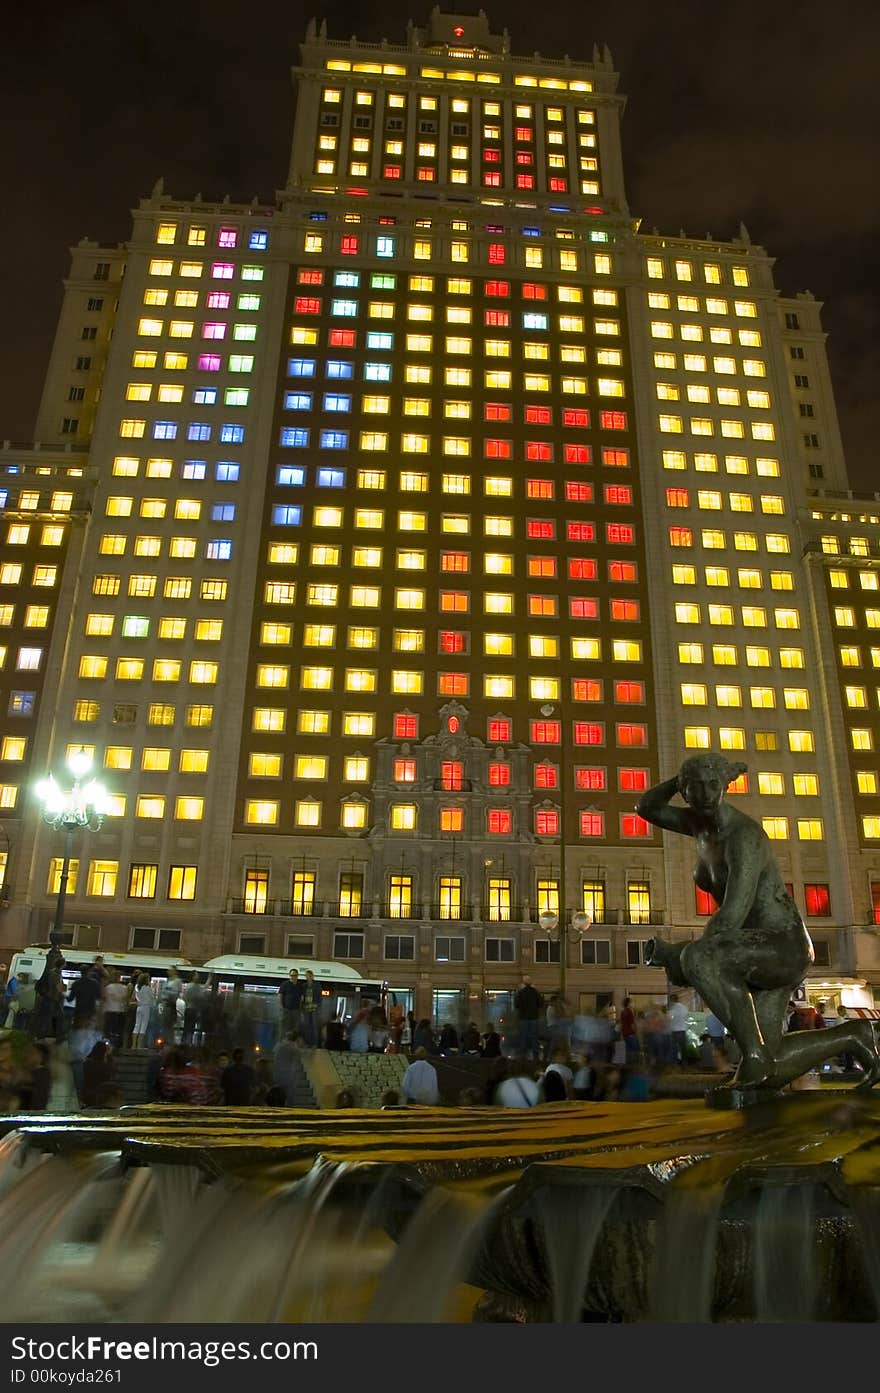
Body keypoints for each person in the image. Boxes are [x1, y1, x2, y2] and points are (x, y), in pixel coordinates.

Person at [638, 753, 880, 1089]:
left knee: (699, 959)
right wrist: (678, 780)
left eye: (713, 785)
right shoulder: (698, 825)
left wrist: (685, 955)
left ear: (724, 786)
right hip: (754, 946)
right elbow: (646, 807)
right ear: (686, 791)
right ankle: (854, 1034)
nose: (707, 795)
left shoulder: (743, 837)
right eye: (697, 788)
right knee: (773, 1061)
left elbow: (733, 913)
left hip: (783, 944)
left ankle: (754, 1058)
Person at [80, 1041, 119, 1108]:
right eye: (107, 1048)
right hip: (94, 1090)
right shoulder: (91, 1063)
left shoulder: (109, 1060)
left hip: (104, 1089)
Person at [514, 976, 543, 1060]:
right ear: (531, 983)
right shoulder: (535, 992)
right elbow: (540, 1003)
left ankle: (523, 1056)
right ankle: (535, 1057)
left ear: (523, 983)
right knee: (534, 1037)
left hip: (523, 1018)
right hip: (534, 1017)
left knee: (523, 1037)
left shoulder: (520, 992)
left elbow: (516, 1005)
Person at [102, 971, 130, 1049]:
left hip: (109, 1011)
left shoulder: (108, 987)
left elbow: (103, 999)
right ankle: (117, 1046)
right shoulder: (124, 988)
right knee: (119, 1031)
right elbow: (126, 1001)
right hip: (120, 1012)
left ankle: (107, 1046)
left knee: (108, 1031)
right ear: (119, 978)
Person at [132, 973, 155, 1049]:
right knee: (143, 1026)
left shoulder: (137, 987)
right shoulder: (147, 988)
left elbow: (134, 997)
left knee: (137, 1025)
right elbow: (152, 998)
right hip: (146, 1007)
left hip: (139, 1007)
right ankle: (139, 1046)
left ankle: (133, 1045)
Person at [158, 968, 182, 1043]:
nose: (168, 972)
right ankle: (164, 1042)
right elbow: (162, 992)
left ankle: (169, 1042)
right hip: (165, 1005)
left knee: (169, 1026)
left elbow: (174, 993)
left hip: (170, 1005)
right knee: (164, 1025)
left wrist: (167, 995)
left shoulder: (177, 981)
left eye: (170, 970)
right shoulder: (167, 981)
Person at [278, 969, 303, 1039]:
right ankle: (281, 1043)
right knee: (284, 1027)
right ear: (289, 976)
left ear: (297, 976)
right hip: (286, 1010)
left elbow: (301, 997)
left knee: (295, 1028)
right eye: (292, 975)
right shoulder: (285, 984)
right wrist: (281, 1007)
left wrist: (300, 1008)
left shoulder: (299, 986)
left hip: (296, 1010)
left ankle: (292, 1044)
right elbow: (280, 995)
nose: (293, 977)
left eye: (295, 975)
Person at [668, 995, 691, 1065]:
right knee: (683, 1048)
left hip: (674, 1031)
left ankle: (675, 1063)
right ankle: (685, 1063)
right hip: (682, 1030)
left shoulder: (672, 1009)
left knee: (674, 1048)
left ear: (672, 1000)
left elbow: (669, 1019)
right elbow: (687, 1018)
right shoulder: (684, 1007)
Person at [299, 970, 319, 1047]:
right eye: (306, 976)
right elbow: (302, 996)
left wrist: (317, 1005)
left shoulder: (317, 985)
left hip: (314, 1008)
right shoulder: (304, 985)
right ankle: (307, 1042)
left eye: (309, 975)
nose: (307, 977)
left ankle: (314, 1043)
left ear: (312, 976)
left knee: (313, 1025)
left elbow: (319, 996)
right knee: (307, 1025)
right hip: (306, 1007)